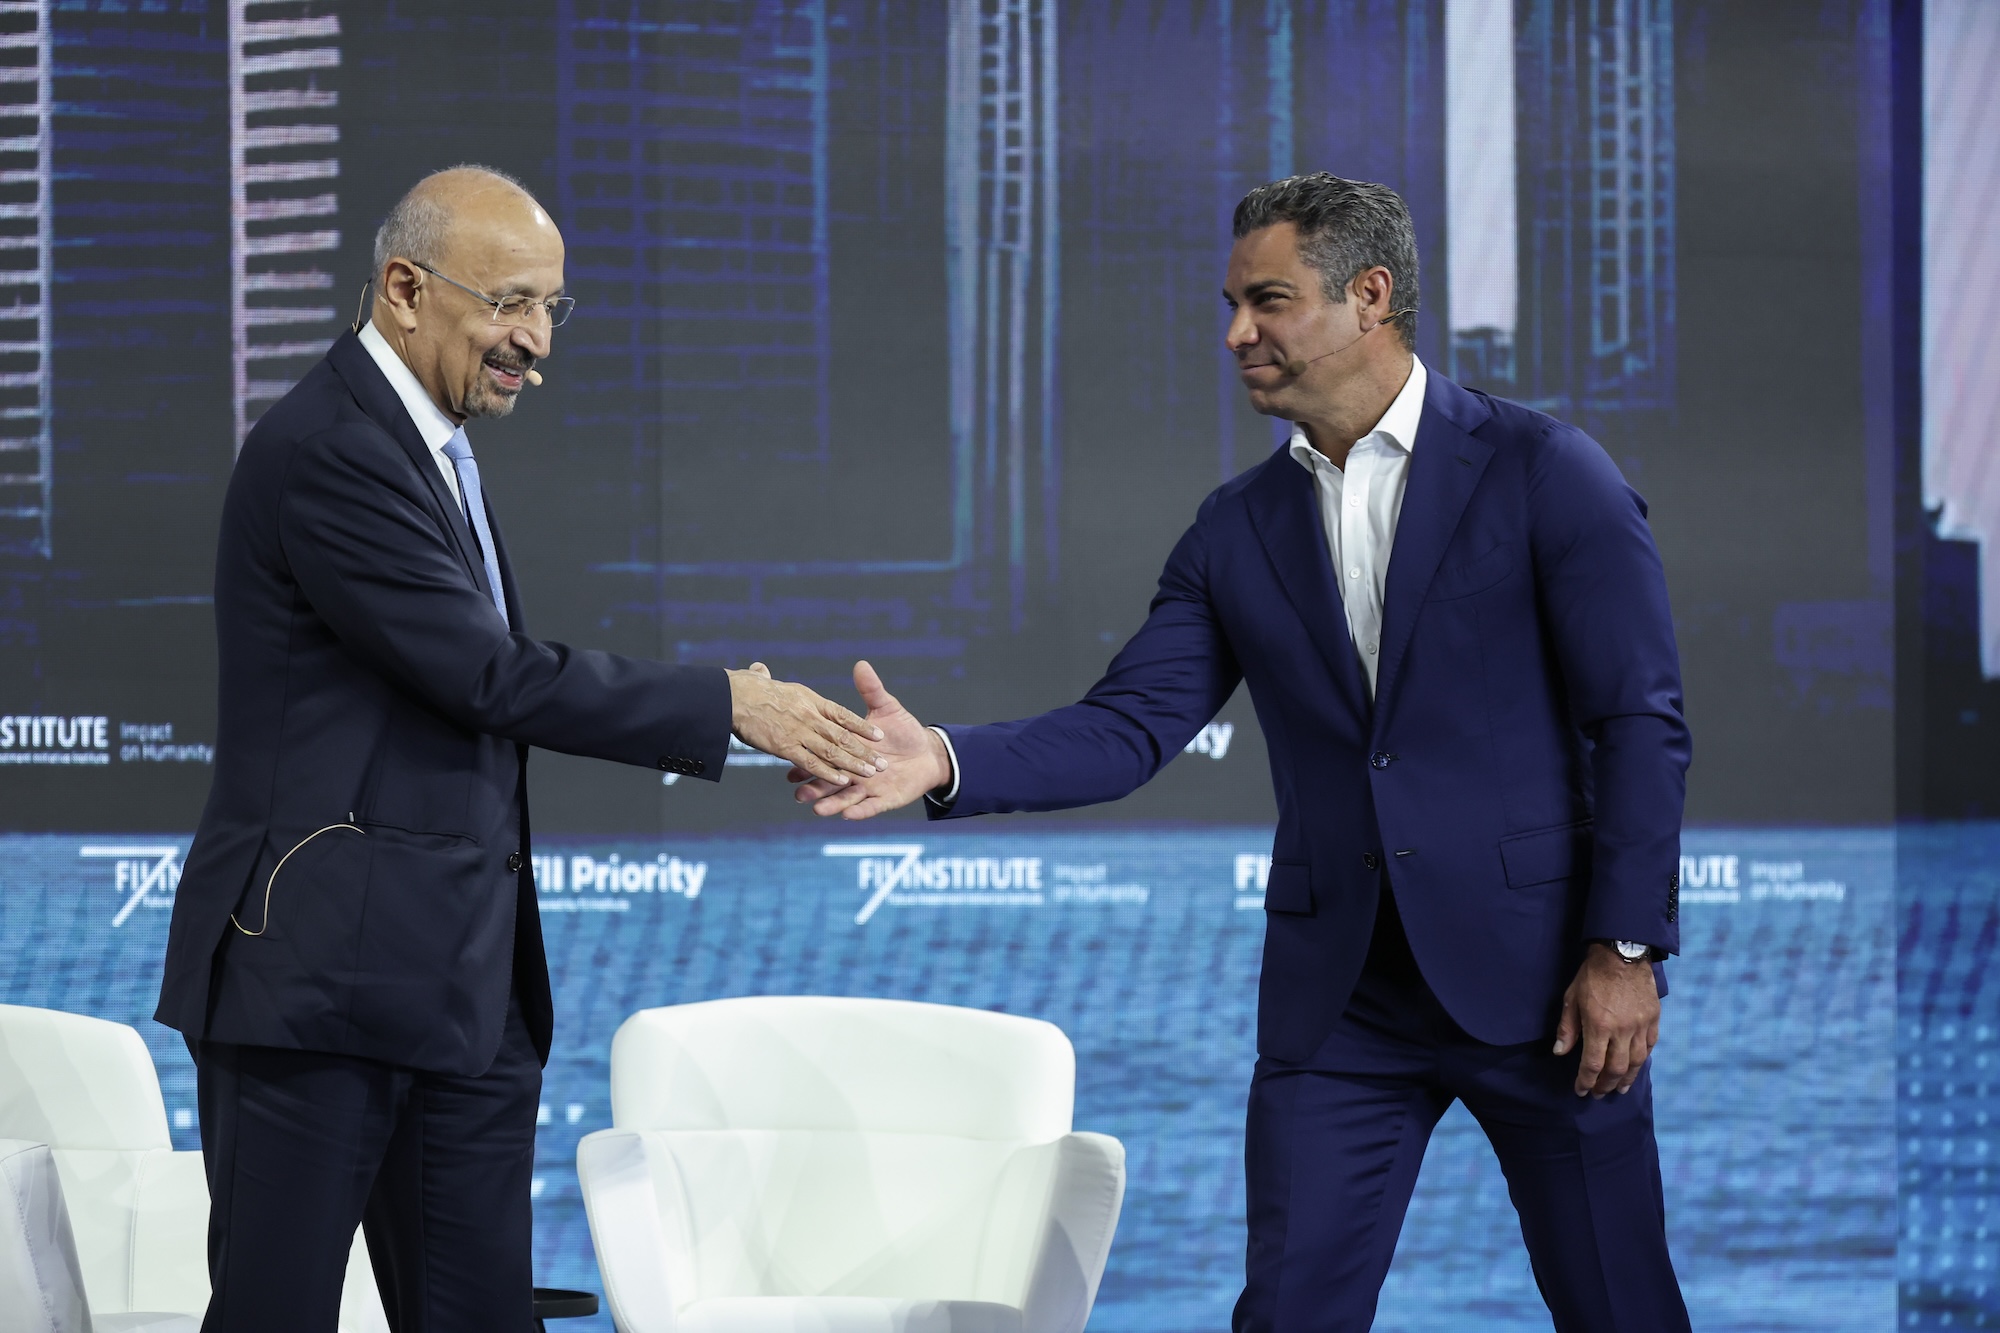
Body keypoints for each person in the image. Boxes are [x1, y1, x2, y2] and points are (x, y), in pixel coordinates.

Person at [796, 173, 1693, 1332]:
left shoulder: (1542, 471)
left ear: (1368, 297)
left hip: (1546, 989)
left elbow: (1638, 720)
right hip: (1341, 1007)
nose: (1235, 335)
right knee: (1284, 1317)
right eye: (1229, 304)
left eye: (1266, 301)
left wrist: (1623, 947)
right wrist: (946, 761)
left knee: (1618, 1308)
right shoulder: (1234, 527)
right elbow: (1127, 727)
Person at [155, 165, 885, 1333]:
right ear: (403, 287)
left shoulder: (423, 443)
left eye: (552, 307)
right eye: (509, 304)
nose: (536, 342)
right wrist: (724, 703)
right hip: (318, 988)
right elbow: (483, 673)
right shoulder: (333, 449)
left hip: (459, 986)